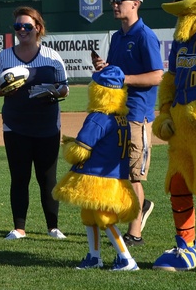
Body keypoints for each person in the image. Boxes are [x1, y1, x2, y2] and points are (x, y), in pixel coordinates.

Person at [0, 6, 69, 241]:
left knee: (48, 179)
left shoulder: (52, 56)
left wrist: (53, 92)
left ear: (38, 29)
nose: (22, 30)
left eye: (27, 26)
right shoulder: (5, 56)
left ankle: (53, 227)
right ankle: (19, 228)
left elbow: (65, 88)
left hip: (47, 126)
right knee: (20, 177)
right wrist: (3, 90)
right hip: (15, 126)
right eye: (17, 27)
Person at [95, 0, 163, 248]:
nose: (114, 5)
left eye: (119, 1)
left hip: (138, 114)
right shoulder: (117, 36)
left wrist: (124, 78)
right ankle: (141, 207)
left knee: (135, 174)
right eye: (113, 1)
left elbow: (158, 75)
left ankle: (135, 233)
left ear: (135, 4)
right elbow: (117, 71)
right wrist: (106, 67)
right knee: (120, 171)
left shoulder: (145, 36)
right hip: (118, 112)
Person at [53, 66, 139, 271]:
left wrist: (69, 146)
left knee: (104, 219)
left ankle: (126, 259)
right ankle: (94, 256)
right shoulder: (121, 118)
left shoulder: (98, 118)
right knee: (89, 216)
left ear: (99, 90)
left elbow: (80, 151)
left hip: (98, 177)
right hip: (113, 176)